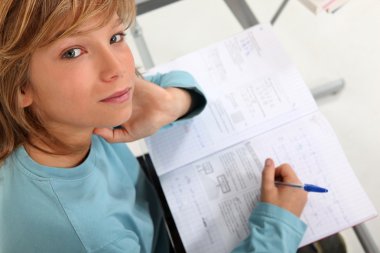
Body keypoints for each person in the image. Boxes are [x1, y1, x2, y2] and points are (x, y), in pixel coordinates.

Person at [0, 0, 308, 252]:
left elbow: (162, 85)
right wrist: (277, 228)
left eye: (115, 37)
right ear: (19, 86)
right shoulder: (94, 238)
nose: (118, 69)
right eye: (72, 52)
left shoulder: (64, 116)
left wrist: (170, 102)